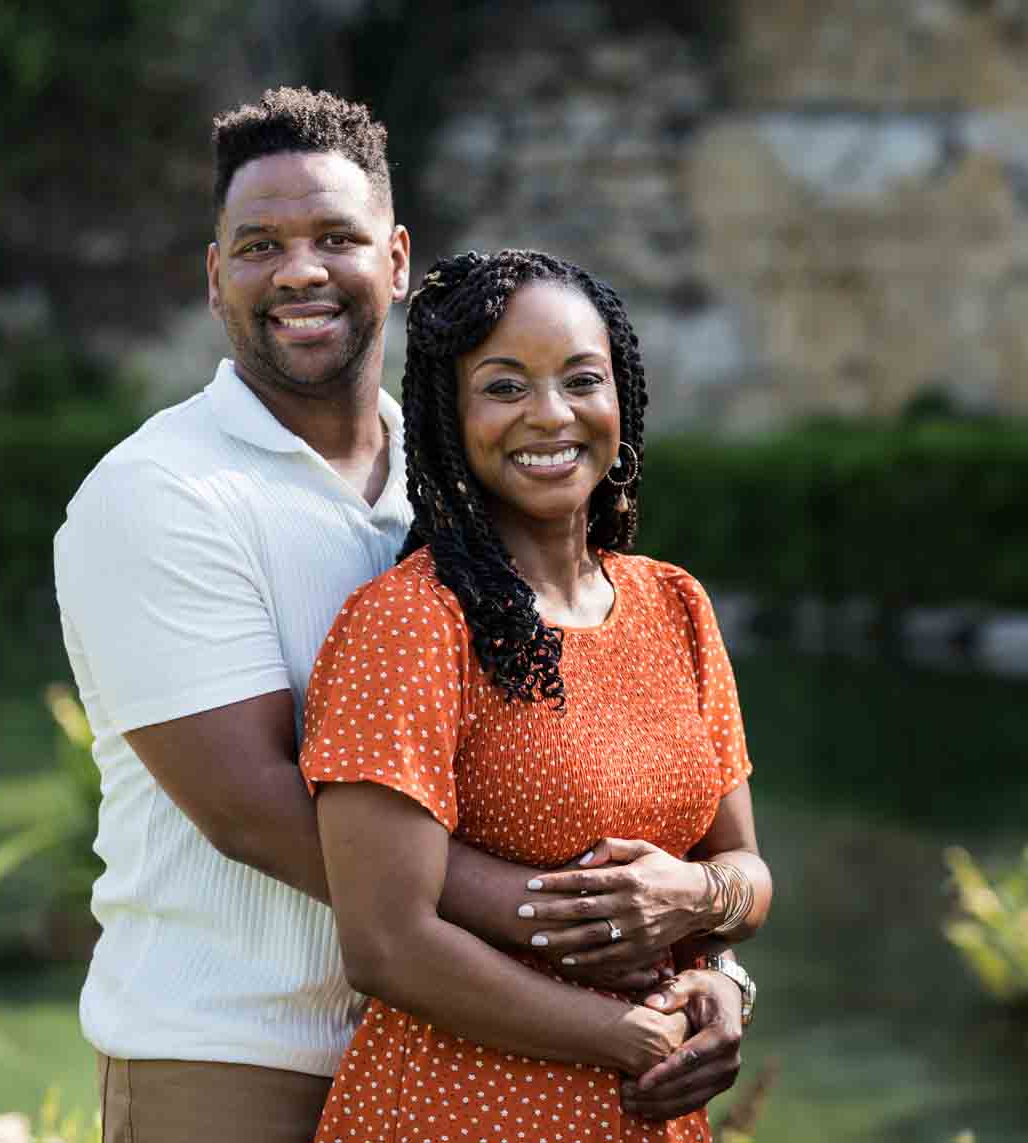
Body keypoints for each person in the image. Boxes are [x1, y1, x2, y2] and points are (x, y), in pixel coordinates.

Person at [54, 90, 747, 1143]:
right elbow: (257, 812)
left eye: (336, 236)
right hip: (236, 1056)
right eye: (259, 245)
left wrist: (703, 942)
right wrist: (588, 933)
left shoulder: (460, 480)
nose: (299, 270)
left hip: (477, 1045)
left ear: (398, 260)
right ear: (213, 276)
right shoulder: (160, 496)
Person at [299, 249, 773, 1142]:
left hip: (654, 1109)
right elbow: (386, 940)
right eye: (505, 386)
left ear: (620, 400)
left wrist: (713, 961)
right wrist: (623, 1035)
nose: (550, 414)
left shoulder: (676, 605)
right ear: (452, 417)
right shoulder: (410, 622)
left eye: (580, 380)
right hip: (461, 1110)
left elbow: (746, 871)